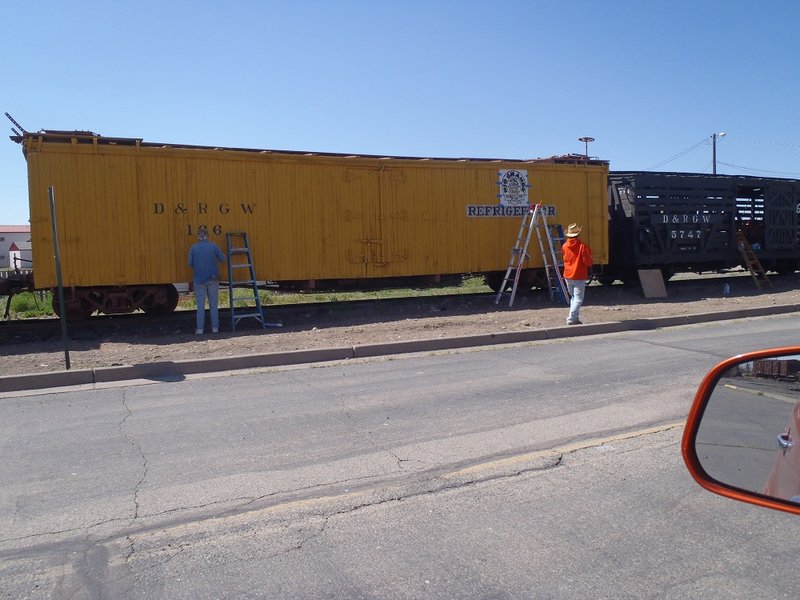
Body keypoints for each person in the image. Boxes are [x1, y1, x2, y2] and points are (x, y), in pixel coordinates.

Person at [188, 225, 226, 334]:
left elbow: (190, 264)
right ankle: (215, 328)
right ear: (208, 236)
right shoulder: (213, 246)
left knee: (200, 306)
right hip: (213, 278)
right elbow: (223, 259)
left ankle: (200, 329)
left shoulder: (193, 248)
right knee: (213, 304)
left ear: (198, 237)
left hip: (199, 279)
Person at [561, 223, 593, 325]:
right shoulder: (582, 247)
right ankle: (571, 318)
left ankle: (575, 318)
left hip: (567, 275)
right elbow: (588, 262)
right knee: (578, 299)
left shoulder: (565, 246)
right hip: (579, 275)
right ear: (578, 234)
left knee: (574, 298)